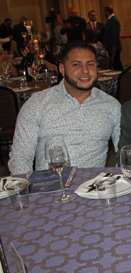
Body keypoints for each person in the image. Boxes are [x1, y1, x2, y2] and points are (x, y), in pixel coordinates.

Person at [8, 41, 121, 175]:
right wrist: (29, 192)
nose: (85, 70)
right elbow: (20, 158)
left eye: (90, 64)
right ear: (62, 69)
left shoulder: (111, 106)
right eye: (76, 64)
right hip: (50, 189)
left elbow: (124, 154)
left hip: (94, 188)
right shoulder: (38, 104)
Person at [103, 6, 123, 71]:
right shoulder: (110, 20)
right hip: (111, 46)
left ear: (107, 12)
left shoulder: (114, 21)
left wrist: (113, 47)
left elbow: (115, 35)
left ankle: (120, 76)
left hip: (114, 47)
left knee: (116, 63)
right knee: (114, 63)